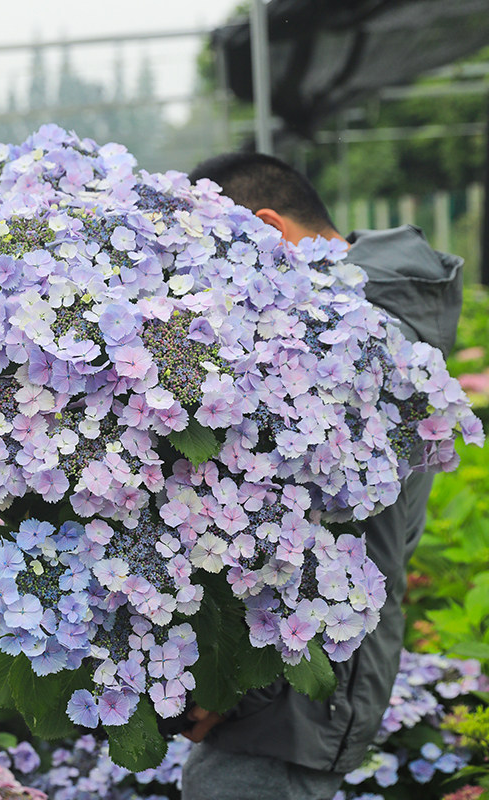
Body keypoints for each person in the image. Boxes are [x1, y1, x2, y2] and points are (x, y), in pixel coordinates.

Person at [180, 152, 464, 800]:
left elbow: (311, 542)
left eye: (211, 260)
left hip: (294, 695)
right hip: (292, 683)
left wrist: (231, 683)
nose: (205, 285)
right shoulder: (356, 319)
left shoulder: (358, 339)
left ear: (269, 231)